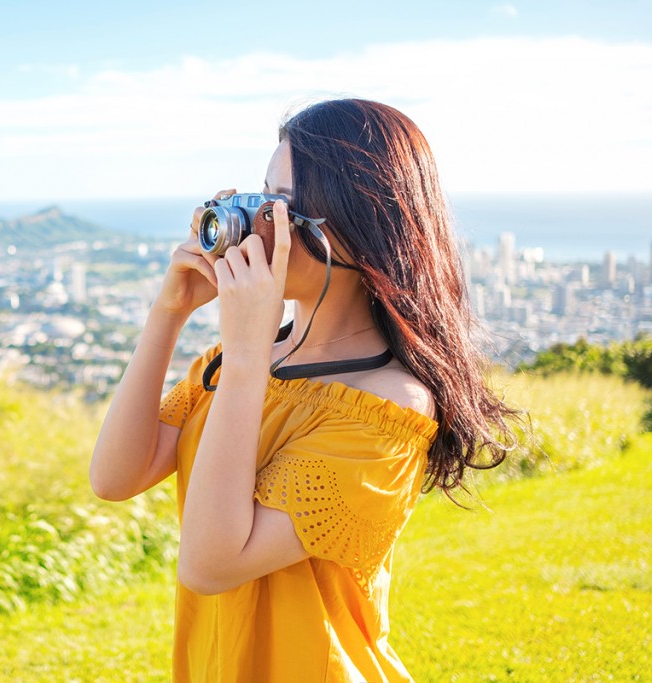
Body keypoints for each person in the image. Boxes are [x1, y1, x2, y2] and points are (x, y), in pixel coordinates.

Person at [89, 98, 519, 682]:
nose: (260, 222)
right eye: (260, 197)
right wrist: (168, 314)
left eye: (283, 206)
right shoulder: (232, 366)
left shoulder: (387, 409)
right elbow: (116, 477)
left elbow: (211, 564)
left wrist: (246, 357)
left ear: (356, 224)